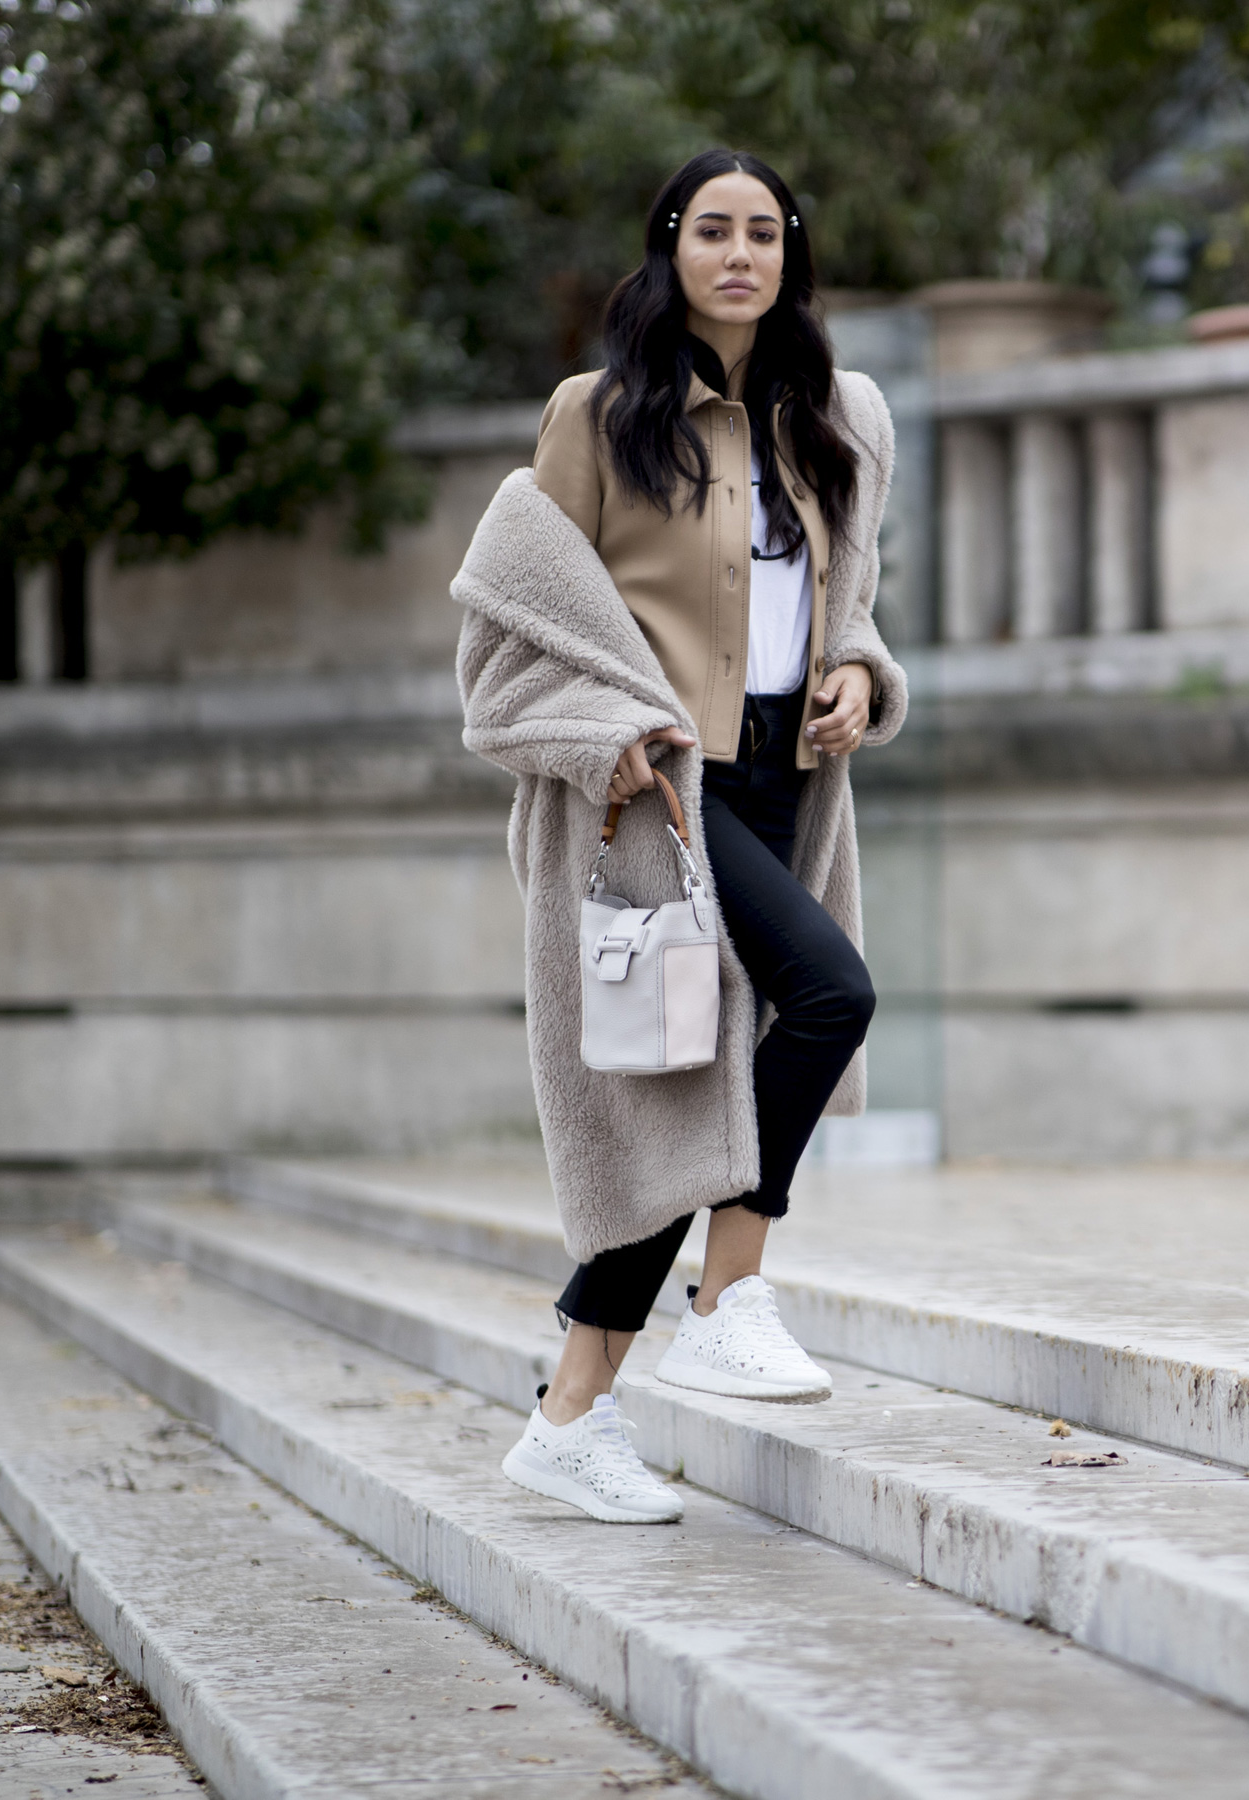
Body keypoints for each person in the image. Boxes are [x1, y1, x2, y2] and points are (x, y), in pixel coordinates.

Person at [448, 148, 906, 1523]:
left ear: (790, 257)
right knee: (831, 995)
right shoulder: (595, 418)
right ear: (670, 248)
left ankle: (568, 1417)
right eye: (713, 230)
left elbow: (857, 598)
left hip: (781, 783)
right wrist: (606, 740)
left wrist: (862, 676)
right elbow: (514, 626)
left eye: (763, 232)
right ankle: (734, 1290)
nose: (739, 254)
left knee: (679, 1109)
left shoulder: (841, 419)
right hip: (658, 800)